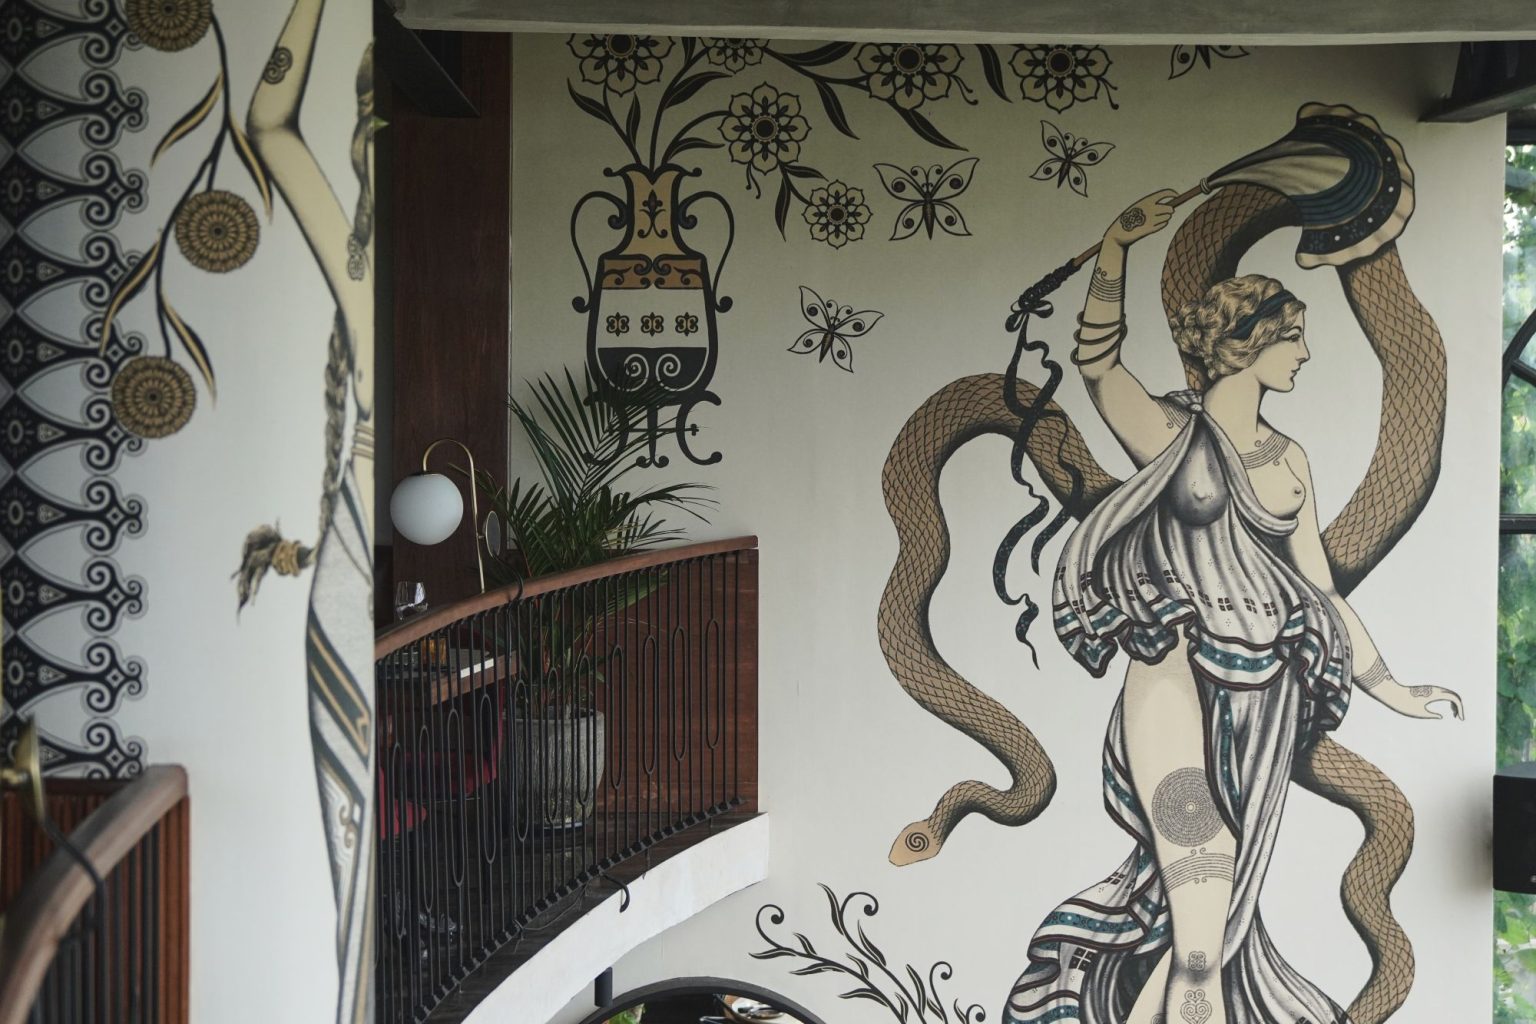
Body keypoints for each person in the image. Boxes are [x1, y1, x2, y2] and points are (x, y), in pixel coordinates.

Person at [1002, 191, 1462, 1024]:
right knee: (1201, 876)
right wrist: (1116, 249)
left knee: (1207, 935)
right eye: (1292, 337)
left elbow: (1321, 592)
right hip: (1174, 676)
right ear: (1246, 343)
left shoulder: (1290, 461)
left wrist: (1394, 688)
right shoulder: (1169, 434)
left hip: (1268, 701)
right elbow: (1098, 365)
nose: (1306, 353)